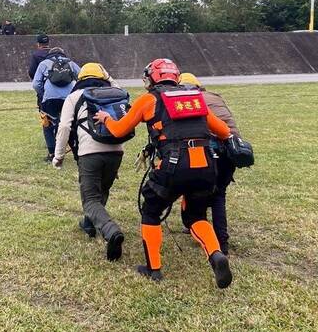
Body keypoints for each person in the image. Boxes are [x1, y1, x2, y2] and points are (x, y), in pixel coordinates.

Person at [94, 58, 233, 288]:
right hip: (206, 165)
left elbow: (119, 130)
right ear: (175, 77)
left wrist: (106, 118)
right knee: (197, 217)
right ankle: (216, 255)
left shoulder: (150, 99)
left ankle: (154, 269)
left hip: (173, 165)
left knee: (151, 211)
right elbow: (224, 130)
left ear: (152, 78)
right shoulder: (194, 98)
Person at [53, 63, 125, 261]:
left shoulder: (74, 97)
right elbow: (118, 87)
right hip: (117, 151)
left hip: (89, 153)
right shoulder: (115, 92)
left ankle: (111, 232)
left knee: (90, 200)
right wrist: (107, 73)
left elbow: (64, 128)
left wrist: (58, 156)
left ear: (80, 79)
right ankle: (89, 224)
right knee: (102, 190)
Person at [179, 73, 240, 255]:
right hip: (231, 151)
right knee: (218, 195)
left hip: (210, 152)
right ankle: (222, 241)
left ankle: (199, 227)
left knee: (196, 190)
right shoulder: (215, 96)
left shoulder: (188, 101)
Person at [32, 47, 80, 162]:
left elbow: (36, 84)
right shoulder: (71, 63)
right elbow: (83, 77)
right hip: (69, 99)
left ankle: (52, 153)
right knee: (71, 124)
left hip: (50, 99)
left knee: (47, 125)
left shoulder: (44, 64)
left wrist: (43, 94)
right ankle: (77, 153)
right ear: (63, 54)